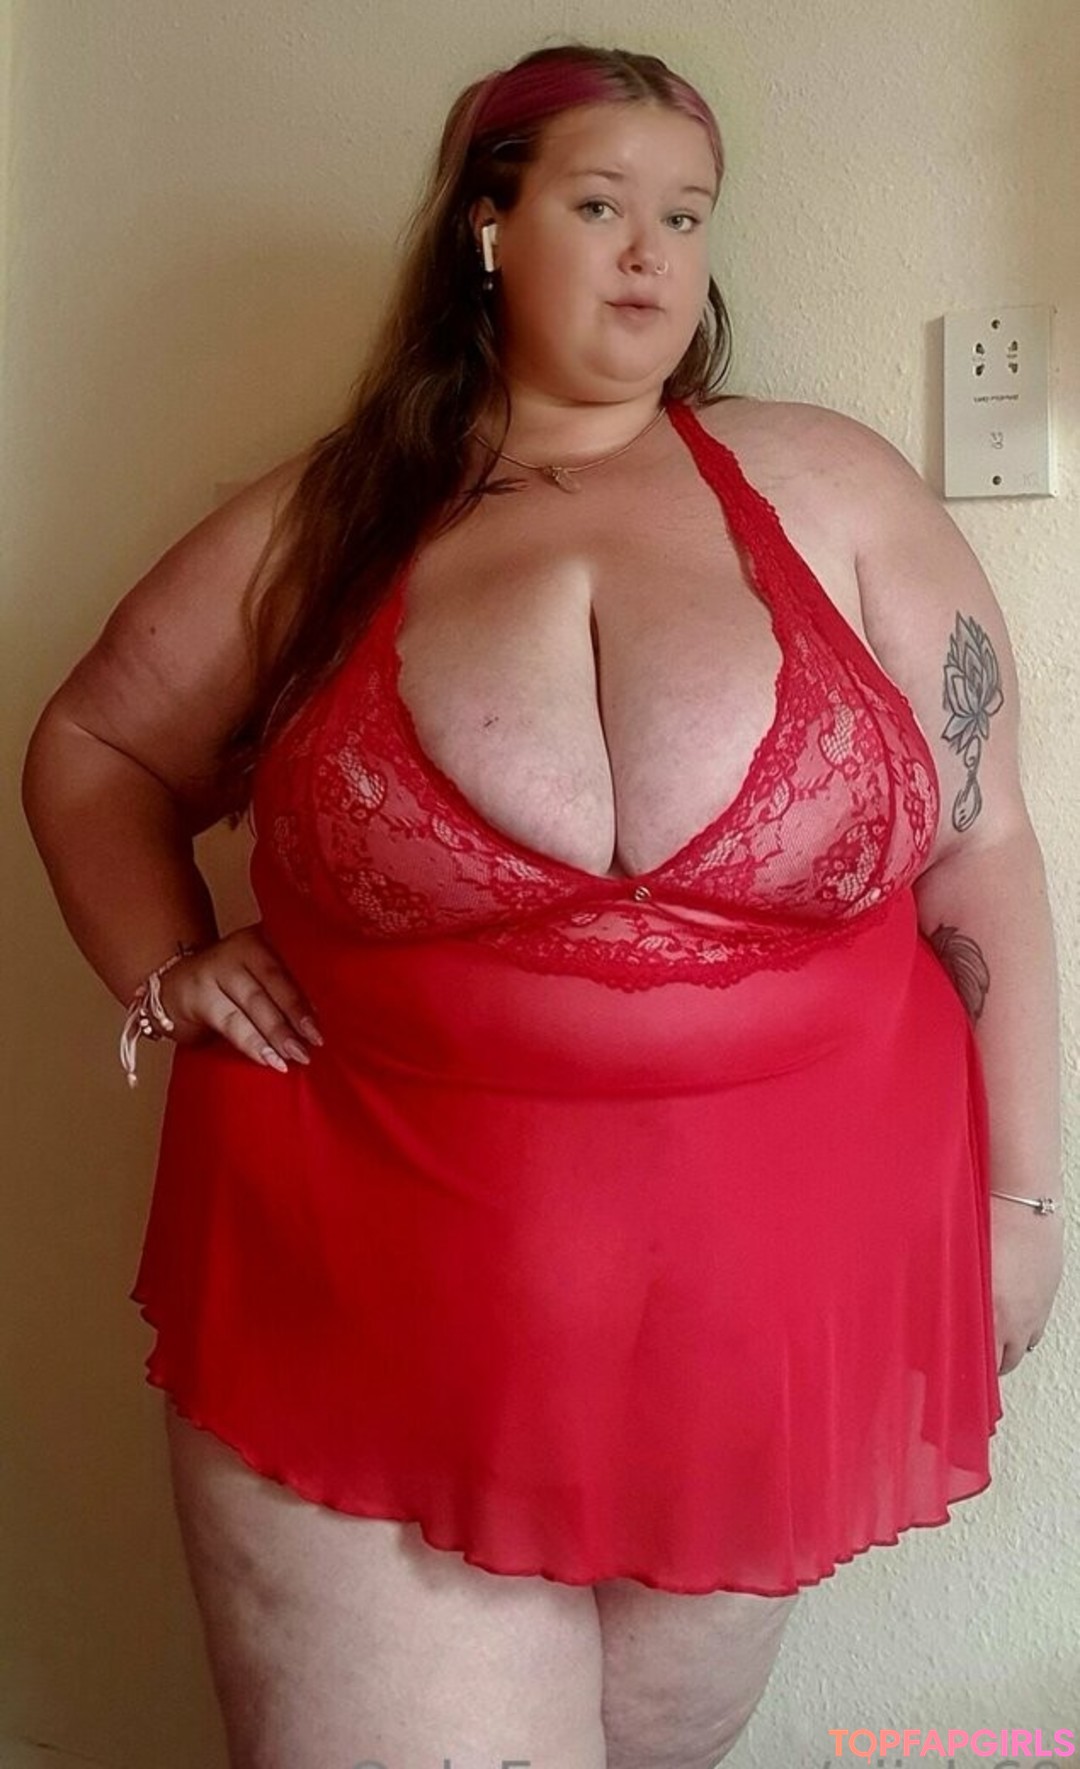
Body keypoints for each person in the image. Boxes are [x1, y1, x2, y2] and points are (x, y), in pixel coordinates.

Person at [21, 39, 1064, 1769]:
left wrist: (1023, 1202)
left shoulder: (836, 489)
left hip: (765, 1316)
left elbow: (986, 848)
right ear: (487, 228)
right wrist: (166, 966)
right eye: (600, 204)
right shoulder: (328, 524)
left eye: (688, 214)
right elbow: (94, 749)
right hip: (367, 1299)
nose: (653, 252)